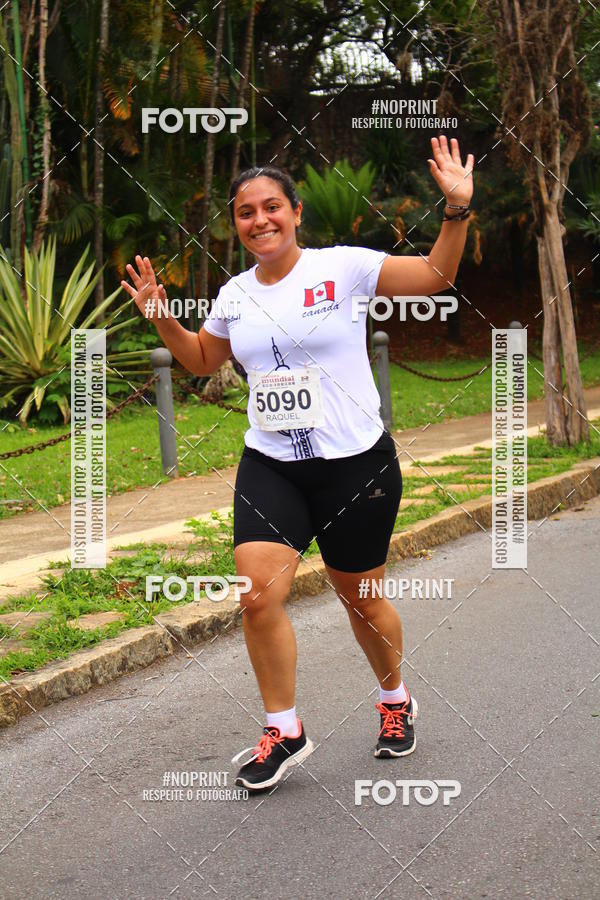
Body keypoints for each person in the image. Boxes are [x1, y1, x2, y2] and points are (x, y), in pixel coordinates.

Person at [121, 135, 474, 792]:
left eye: (271, 207)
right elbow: (202, 359)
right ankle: (284, 728)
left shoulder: (343, 269)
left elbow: (434, 277)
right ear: (236, 225)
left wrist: (455, 211)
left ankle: (394, 700)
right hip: (273, 464)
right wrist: (161, 316)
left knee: (361, 600)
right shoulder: (233, 294)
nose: (260, 220)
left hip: (355, 467)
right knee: (259, 596)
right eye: (246, 212)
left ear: (295, 212)